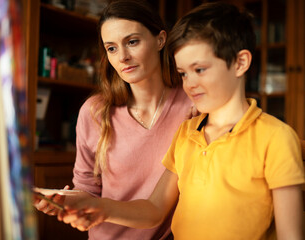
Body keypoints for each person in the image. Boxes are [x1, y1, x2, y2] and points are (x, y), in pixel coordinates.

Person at [59, 2, 305, 239]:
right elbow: (154, 210)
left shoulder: (275, 137)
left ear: (240, 63)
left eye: (199, 70)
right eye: (183, 74)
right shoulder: (187, 133)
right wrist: (99, 208)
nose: (189, 84)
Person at [33, 0, 194, 239]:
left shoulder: (192, 105)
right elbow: (87, 190)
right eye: (111, 48)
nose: (123, 57)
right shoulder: (94, 112)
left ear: (160, 40)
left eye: (132, 42)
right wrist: (68, 203)